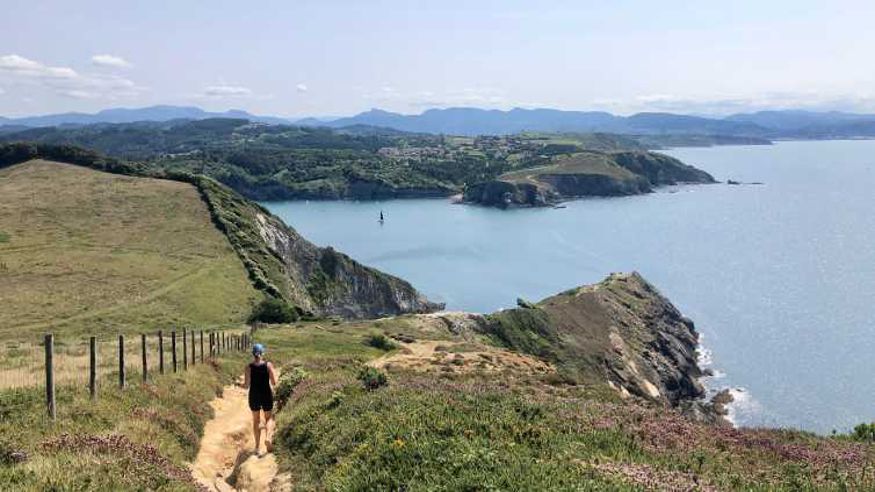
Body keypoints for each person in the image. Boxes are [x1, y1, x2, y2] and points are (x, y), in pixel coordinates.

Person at [243, 343, 277, 456]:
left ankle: (257, 447)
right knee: (269, 418)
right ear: (262, 353)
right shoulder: (268, 365)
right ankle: (268, 438)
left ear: (253, 354)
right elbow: (273, 382)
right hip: (266, 394)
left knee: (256, 420)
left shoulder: (248, 367)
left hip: (254, 395)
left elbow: (246, 385)